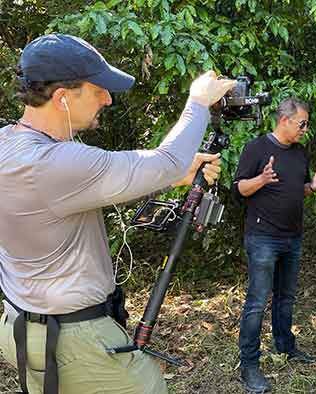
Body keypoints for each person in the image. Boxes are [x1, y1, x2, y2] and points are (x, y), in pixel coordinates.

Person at [0, 33, 237, 394]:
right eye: (98, 89)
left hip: (21, 324)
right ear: (62, 98)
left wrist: (175, 175)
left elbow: (61, 199)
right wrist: (198, 102)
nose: (108, 99)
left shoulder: (9, 143)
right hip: (74, 338)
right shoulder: (53, 162)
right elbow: (166, 161)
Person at [232, 97, 316, 393]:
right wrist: (261, 180)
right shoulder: (256, 148)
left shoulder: (300, 152)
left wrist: (312, 188)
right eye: (301, 123)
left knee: (286, 298)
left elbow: (297, 189)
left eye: (306, 124)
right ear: (284, 120)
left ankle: (285, 346)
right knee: (256, 303)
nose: (305, 129)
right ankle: (250, 366)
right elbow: (238, 189)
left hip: (292, 237)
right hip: (262, 237)